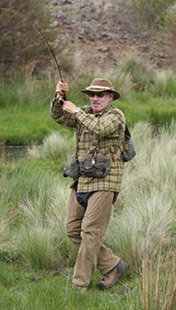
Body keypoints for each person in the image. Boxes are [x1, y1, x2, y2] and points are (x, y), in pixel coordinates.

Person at [50, 78, 128, 292]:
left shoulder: (115, 116)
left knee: (90, 232)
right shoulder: (84, 113)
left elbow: (100, 128)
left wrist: (76, 111)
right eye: (92, 94)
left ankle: (79, 285)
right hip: (82, 180)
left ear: (110, 97)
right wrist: (60, 99)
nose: (95, 98)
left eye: (100, 95)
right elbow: (58, 116)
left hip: (106, 181)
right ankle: (112, 265)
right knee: (73, 229)